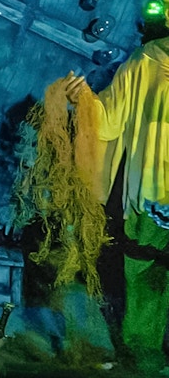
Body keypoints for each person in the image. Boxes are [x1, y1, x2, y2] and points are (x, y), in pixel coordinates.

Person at [66, 42, 169, 374]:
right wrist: (84, 100)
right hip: (154, 193)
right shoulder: (148, 59)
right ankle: (143, 355)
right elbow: (109, 120)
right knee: (145, 277)